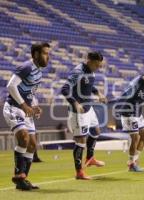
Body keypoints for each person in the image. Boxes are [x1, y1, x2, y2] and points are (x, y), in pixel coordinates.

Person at [3, 42, 50, 190]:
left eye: (48, 54)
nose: (48, 57)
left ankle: (23, 180)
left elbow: (30, 92)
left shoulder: (39, 72)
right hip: (14, 108)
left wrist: (33, 106)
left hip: (26, 110)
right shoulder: (26, 67)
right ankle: (18, 176)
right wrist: (24, 105)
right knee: (24, 138)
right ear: (36, 54)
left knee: (32, 145)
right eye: (45, 53)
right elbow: (11, 86)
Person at [61, 51, 106, 180]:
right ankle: (79, 172)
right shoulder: (78, 72)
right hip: (78, 112)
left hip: (88, 108)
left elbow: (89, 85)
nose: (99, 67)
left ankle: (90, 158)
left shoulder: (90, 71)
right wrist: (75, 103)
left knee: (96, 131)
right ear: (89, 61)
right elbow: (64, 89)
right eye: (97, 65)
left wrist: (99, 93)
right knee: (81, 141)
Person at [117, 67, 144, 172]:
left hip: (137, 113)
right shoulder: (138, 85)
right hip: (129, 112)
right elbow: (127, 96)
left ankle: (134, 160)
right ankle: (131, 164)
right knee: (135, 137)